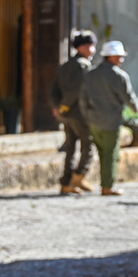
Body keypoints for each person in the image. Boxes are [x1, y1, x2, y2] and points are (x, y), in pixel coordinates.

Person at [79, 40, 138, 196]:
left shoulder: (90, 74)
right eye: (119, 57)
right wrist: (136, 110)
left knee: (102, 153)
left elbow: (82, 98)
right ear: (110, 57)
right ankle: (108, 186)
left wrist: (87, 116)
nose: (121, 60)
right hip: (111, 121)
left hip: (93, 121)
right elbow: (128, 97)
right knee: (111, 155)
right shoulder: (119, 76)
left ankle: (105, 183)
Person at [51, 31, 96, 195]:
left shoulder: (66, 64)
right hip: (78, 113)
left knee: (70, 148)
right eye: (91, 46)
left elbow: (53, 89)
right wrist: (64, 106)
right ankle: (78, 176)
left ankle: (66, 182)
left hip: (66, 115)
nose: (93, 49)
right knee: (88, 145)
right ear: (82, 47)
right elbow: (76, 91)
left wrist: (58, 107)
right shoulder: (83, 65)